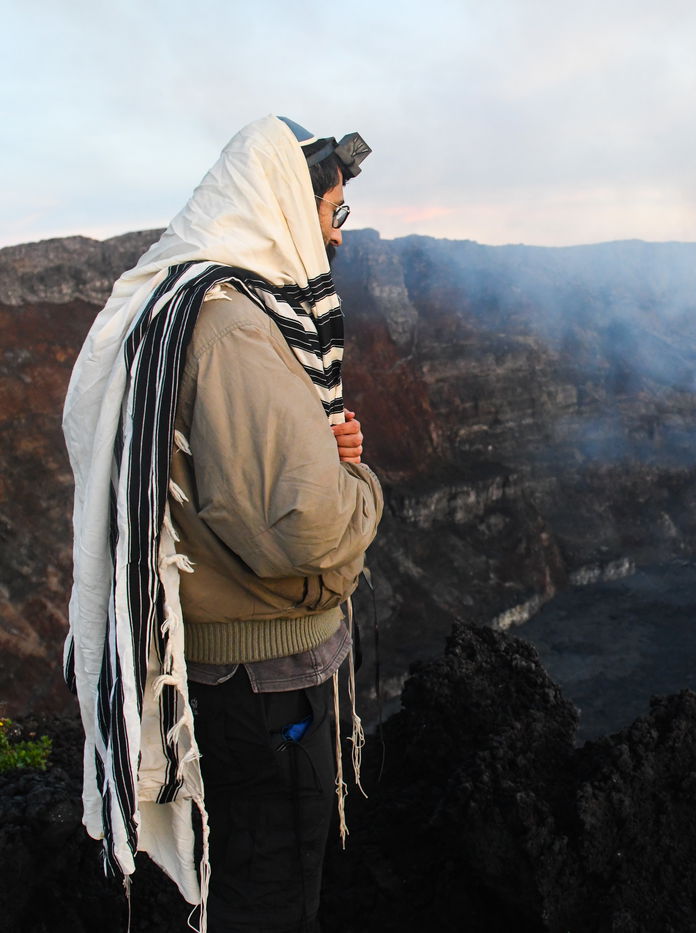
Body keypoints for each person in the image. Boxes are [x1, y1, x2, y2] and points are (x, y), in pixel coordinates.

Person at [62, 115, 383, 932]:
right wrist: (359, 484)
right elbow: (306, 527)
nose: (337, 239)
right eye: (332, 213)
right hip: (265, 687)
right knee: (271, 893)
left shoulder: (182, 300)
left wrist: (317, 444)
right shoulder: (234, 325)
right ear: (283, 202)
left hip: (222, 680)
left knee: (242, 879)